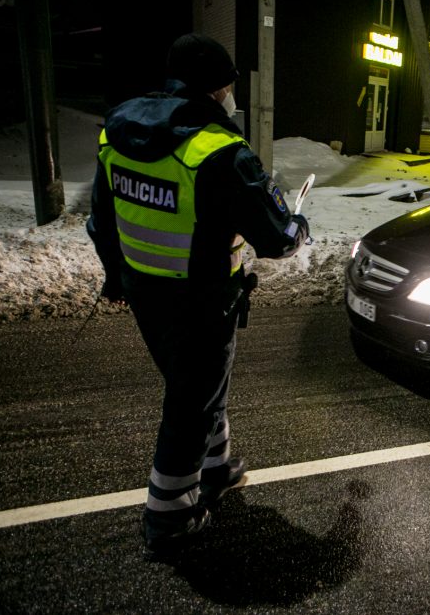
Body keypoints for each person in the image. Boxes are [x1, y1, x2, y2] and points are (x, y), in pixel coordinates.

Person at [86, 33, 309, 556]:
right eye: (230, 84)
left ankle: (217, 467)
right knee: (190, 401)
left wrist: (116, 278)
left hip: (144, 291)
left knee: (198, 387)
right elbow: (275, 237)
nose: (232, 94)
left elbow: (103, 220)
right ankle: (170, 517)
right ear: (218, 87)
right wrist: (299, 226)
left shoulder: (117, 133)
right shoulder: (219, 150)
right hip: (202, 300)